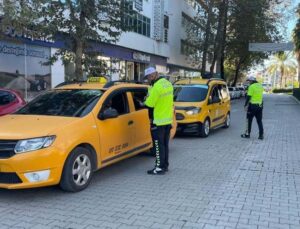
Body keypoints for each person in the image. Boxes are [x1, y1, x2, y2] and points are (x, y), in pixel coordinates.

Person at [144, 67, 174, 175]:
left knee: (157, 145)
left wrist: (145, 99)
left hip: (158, 122)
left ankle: (159, 168)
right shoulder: (168, 83)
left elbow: (149, 104)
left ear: (152, 76)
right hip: (167, 120)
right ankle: (165, 165)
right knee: (165, 145)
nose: (148, 80)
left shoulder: (156, 87)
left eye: (148, 77)